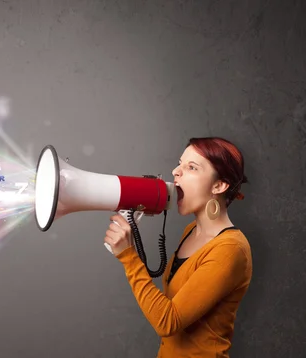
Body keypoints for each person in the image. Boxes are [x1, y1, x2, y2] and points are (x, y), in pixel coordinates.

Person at [104, 137, 252, 357]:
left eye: (191, 167)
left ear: (219, 185)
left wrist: (129, 256)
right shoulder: (191, 231)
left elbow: (168, 322)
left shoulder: (230, 250)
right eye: (179, 163)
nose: (175, 172)